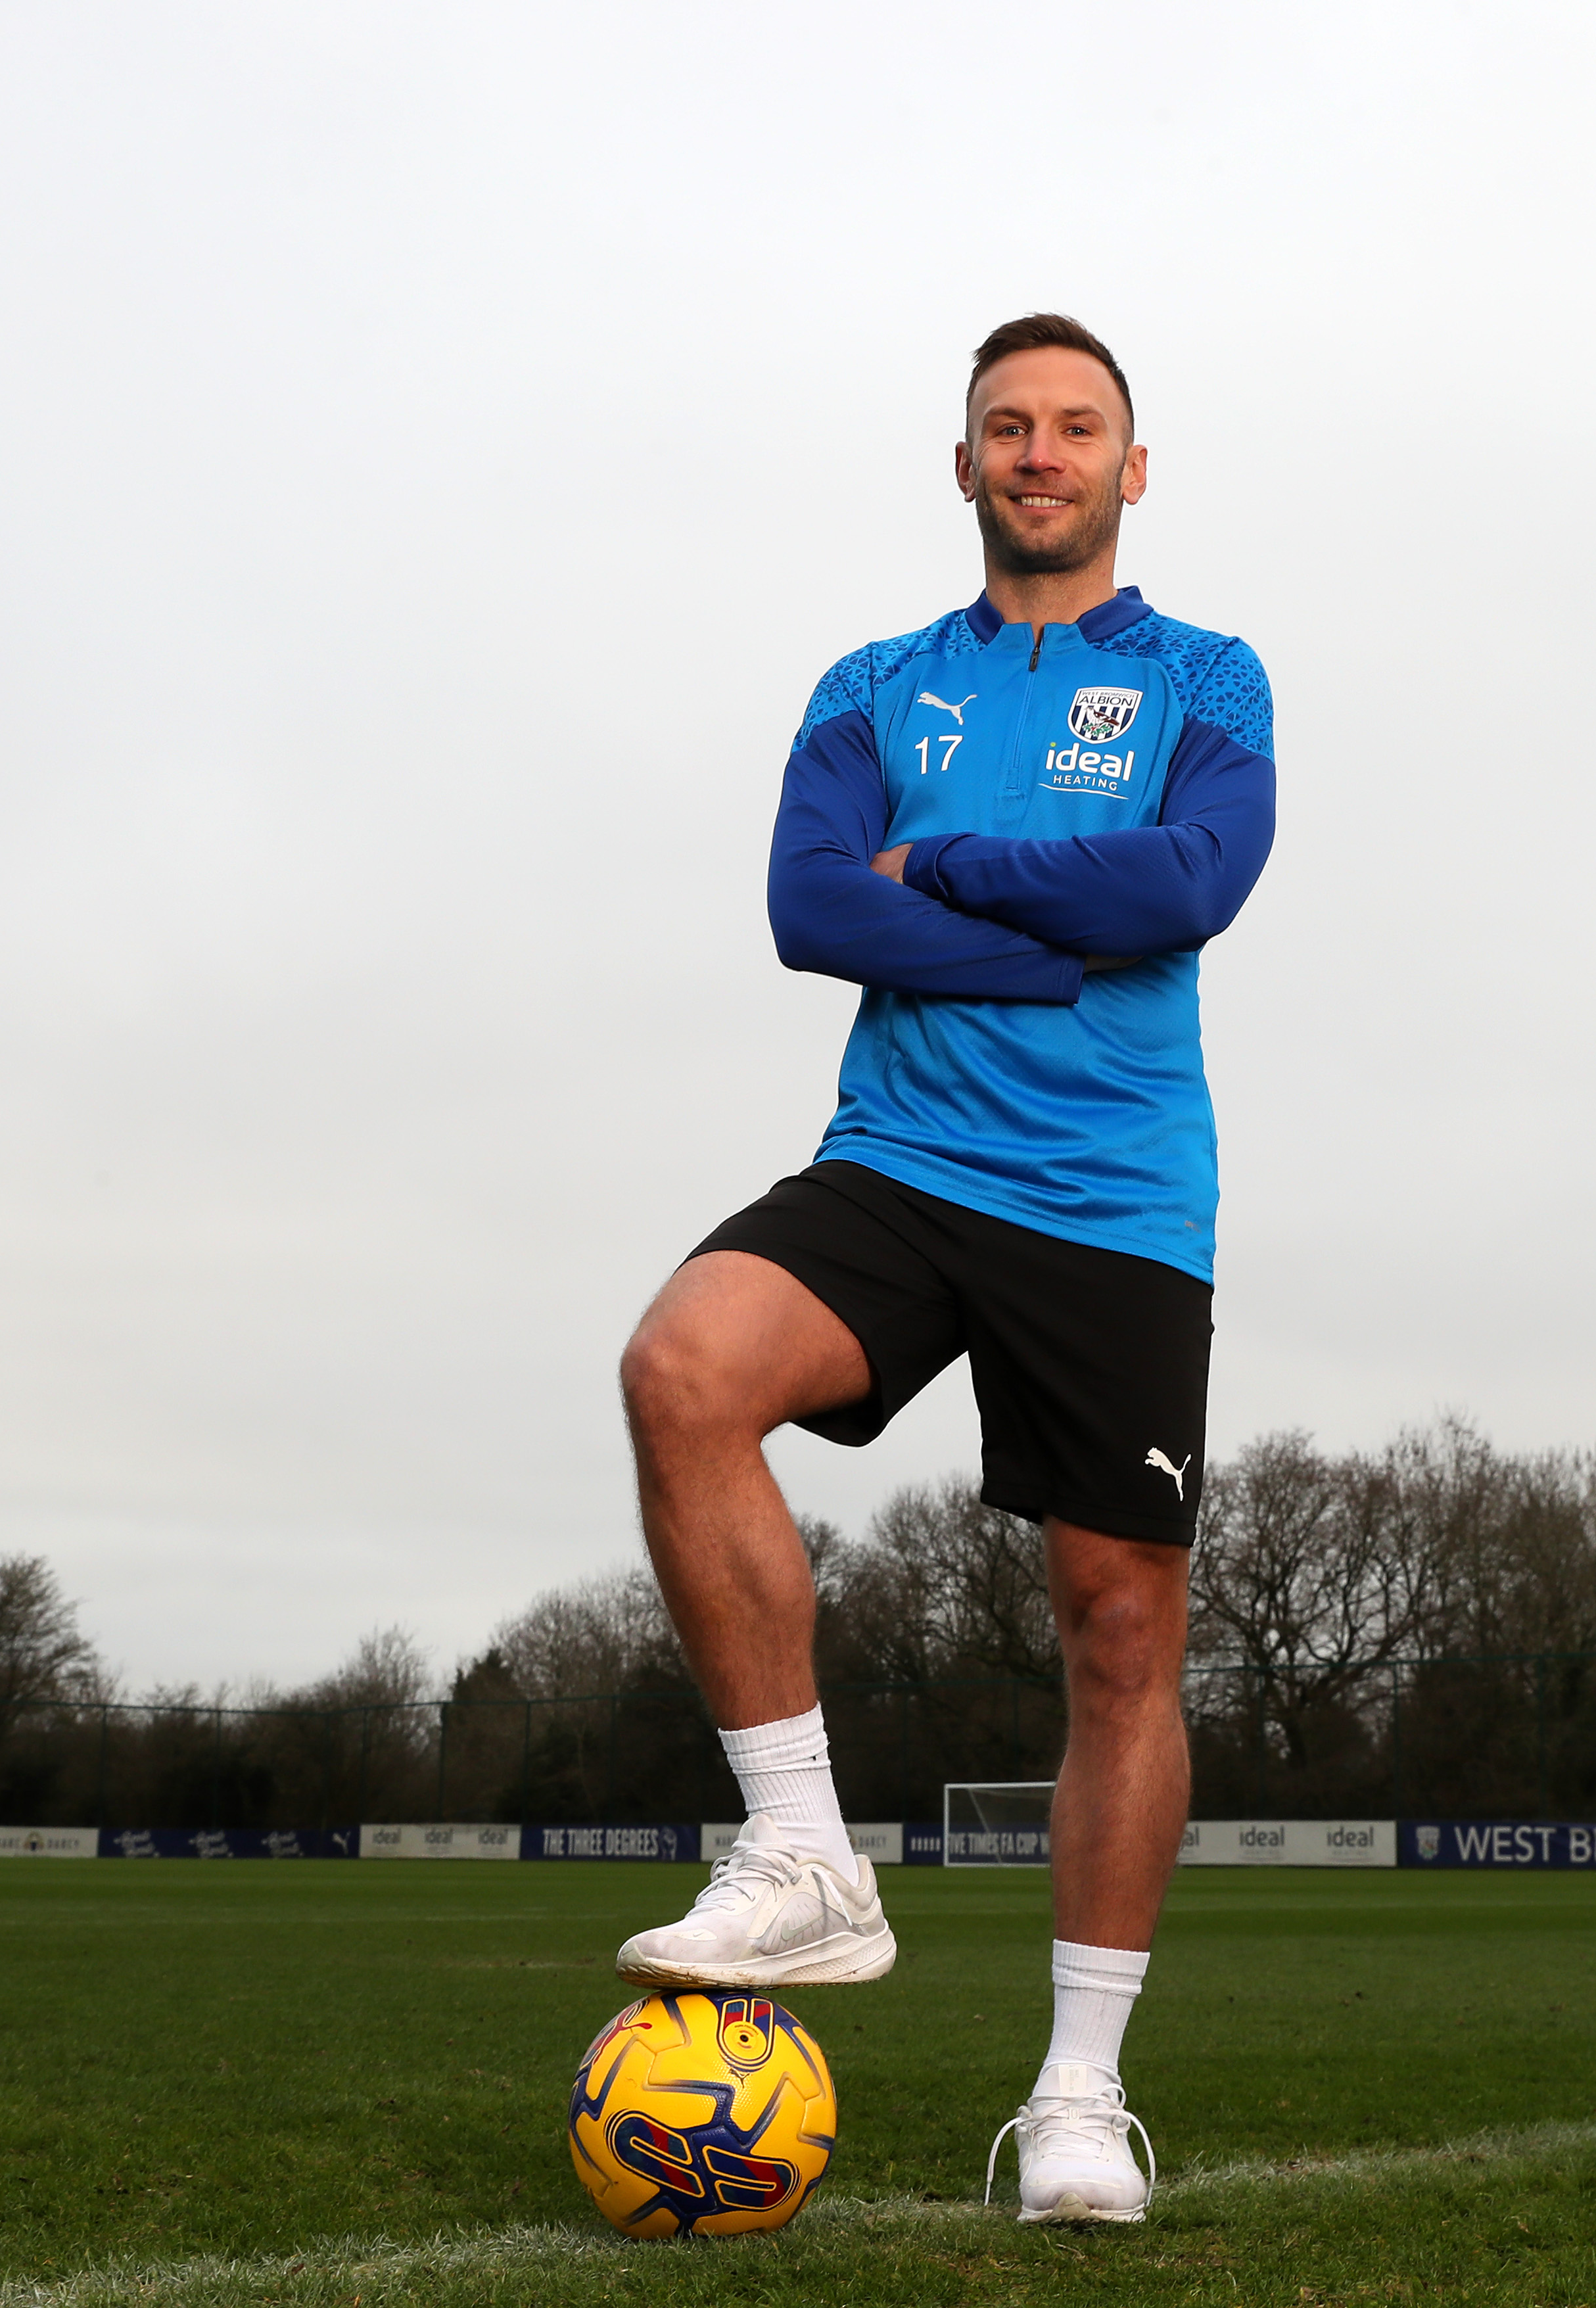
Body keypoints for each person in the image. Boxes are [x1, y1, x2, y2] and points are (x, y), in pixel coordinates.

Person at [608, 313, 1276, 2223]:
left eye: (1079, 428)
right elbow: (807, 908)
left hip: (1114, 1196)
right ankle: (807, 1857)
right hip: (899, 1161)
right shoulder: (874, 685)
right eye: (1008, 426)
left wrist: (950, 881)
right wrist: (1057, 920)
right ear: (963, 460)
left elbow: (1193, 882)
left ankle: (1076, 2097)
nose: (1042, 452)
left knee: (1118, 1632)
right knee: (681, 1368)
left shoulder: (1208, 677)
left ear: (1130, 469)